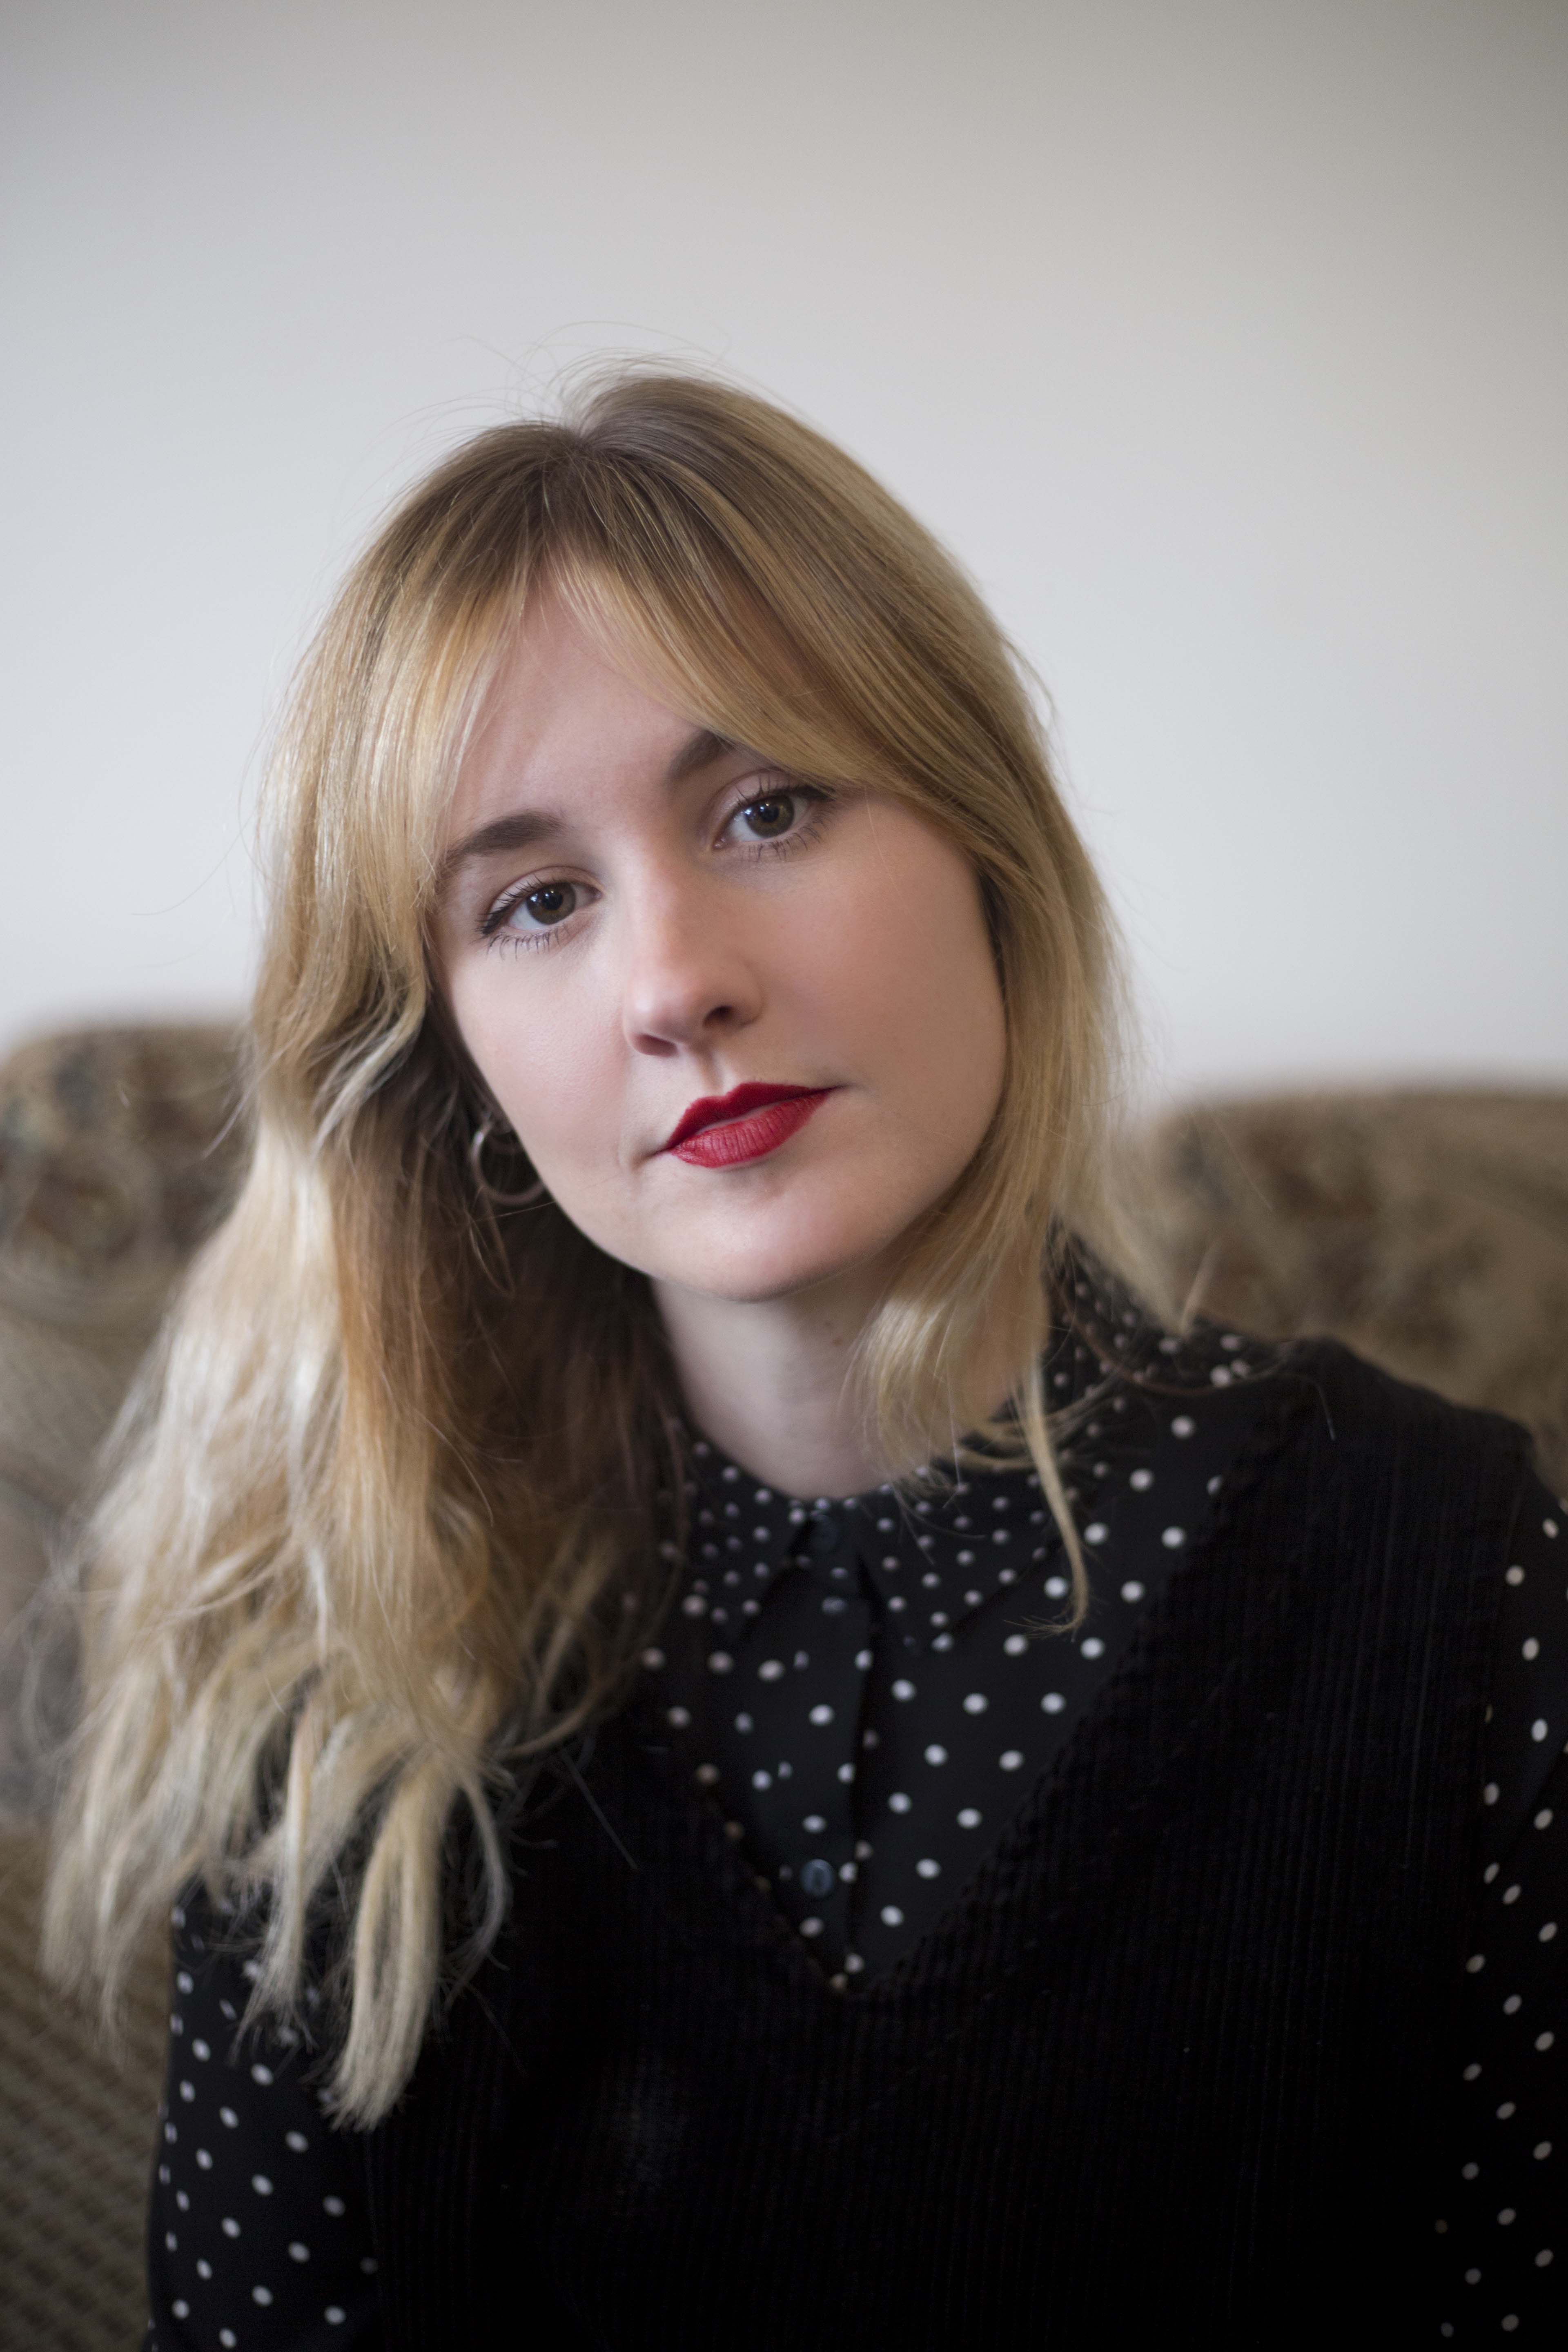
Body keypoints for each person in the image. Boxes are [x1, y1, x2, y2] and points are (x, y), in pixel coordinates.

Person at [43, 372, 1564, 2346]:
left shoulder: (1449, 1565)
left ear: (987, 852)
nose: (675, 980)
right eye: (536, 903)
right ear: (459, 1068)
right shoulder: (344, 1679)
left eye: (766, 809)